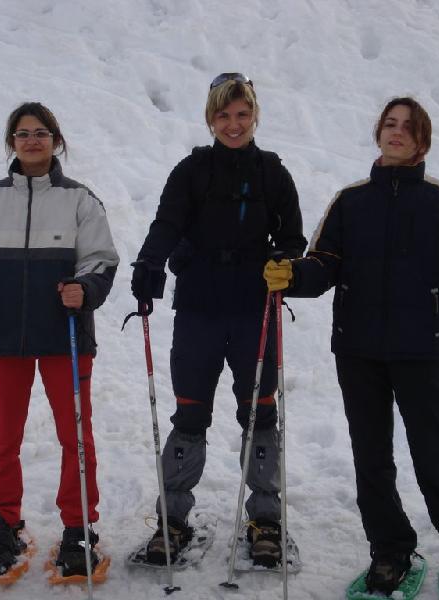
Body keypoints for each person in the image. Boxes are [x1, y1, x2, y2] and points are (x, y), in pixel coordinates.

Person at [263, 97, 439, 600]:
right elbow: (324, 264)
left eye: (408, 128)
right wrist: (293, 276)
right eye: (390, 124)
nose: (397, 133)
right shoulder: (351, 201)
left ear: (422, 141)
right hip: (359, 349)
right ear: (379, 133)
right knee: (371, 456)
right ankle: (390, 550)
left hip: (419, 350)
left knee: (437, 455)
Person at [131, 73, 307, 568]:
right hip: (199, 307)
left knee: (260, 411)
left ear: (254, 116)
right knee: (190, 411)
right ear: (210, 119)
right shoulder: (192, 170)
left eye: (242, 114)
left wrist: (284, 265)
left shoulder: (273, 172)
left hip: (255, 309)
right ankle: (173, 518)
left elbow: (294, 238)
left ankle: (266, 519)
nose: (234, 124)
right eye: (224, 115)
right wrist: (148, 264)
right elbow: (166, 222)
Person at [0, 101, 119, 579]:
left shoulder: (80, 199)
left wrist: (85, 289)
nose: (32, 140)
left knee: (74, 437)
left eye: (41, 132)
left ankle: (78, 527)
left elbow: (100, 259)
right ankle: (2, 524)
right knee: (3, 437)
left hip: (65, 333)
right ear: (11, 142)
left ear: (56, 140)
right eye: (23, 134)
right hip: (3, 336)